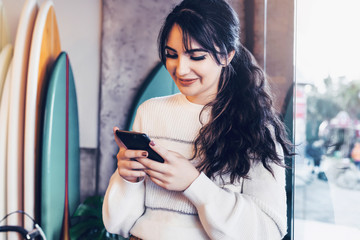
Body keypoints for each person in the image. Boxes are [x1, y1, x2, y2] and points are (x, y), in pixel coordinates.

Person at [102, 0, 293, 239]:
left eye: (197, 56)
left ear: (227, 56)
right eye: (172, 55)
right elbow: (116, 223)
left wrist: (194, 184)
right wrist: (127, 179)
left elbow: (269, 231)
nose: (180, 69)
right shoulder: (150, 112)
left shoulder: (257, 127)